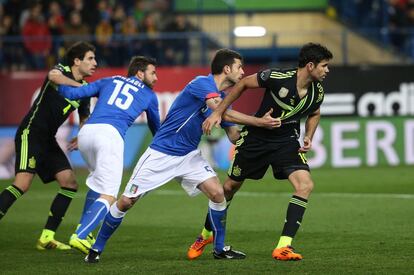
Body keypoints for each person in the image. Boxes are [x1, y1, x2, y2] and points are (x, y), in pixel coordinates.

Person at [84, 48, 281, 263]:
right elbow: (219, 109)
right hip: (161, 153)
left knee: (217, 194)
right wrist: (259, 121)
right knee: (126, 201)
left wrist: (262, 136)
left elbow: (234, 134)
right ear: (226, 69)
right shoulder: (201, 84)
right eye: (239, 67)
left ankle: (219, 249)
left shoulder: (225, 99)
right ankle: (96, 249)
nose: (242, 72)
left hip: (189, 156)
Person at [189, 42, 333, 261]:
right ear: (311, 65)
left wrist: (308, 136)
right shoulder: (278, 77)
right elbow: (244, 83)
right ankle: (206, 234)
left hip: (286, 142)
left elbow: (314, 113)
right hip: (256, 139)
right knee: (228, 188)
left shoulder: (317, 92)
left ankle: (283, 246)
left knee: (305, 185)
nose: (327, 70)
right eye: (324, 66)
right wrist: (218, 112)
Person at [57, 56, 160, 254]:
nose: (156, 78)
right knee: (110, 194)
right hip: (110, 136)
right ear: (140, 73)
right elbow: (156, 128)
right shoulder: (148, 95)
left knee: (97, 183)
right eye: (152, 73)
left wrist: (57, 82)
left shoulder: (109, 80)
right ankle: (79, 236)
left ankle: (83, 230)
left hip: (86, 134)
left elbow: (76, 92)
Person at [0, 41, 97, 250]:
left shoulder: (86, 91)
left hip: (48, 140)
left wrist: (82, 134)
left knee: (69, 183)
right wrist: (79, 87)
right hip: (31, 132)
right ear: (76, 61)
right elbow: (53, 76)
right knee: (22, 184)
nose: (95, 63)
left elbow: (84, 117)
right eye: (90, 58)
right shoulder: (62, 70)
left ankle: (47, 237)